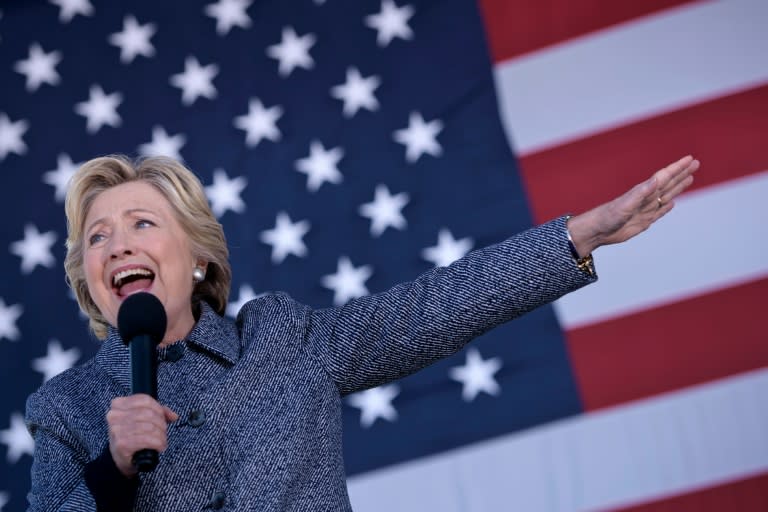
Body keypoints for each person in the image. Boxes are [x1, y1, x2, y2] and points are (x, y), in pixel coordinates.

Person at [25, 154, 699, 511]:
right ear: (88, 280)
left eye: (142, 223)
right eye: (98, 237)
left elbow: (434, 307)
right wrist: (111, 474)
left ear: (198, 255)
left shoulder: (284, 339)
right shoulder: (65, 409)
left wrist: (578, 238)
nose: (117, 246)